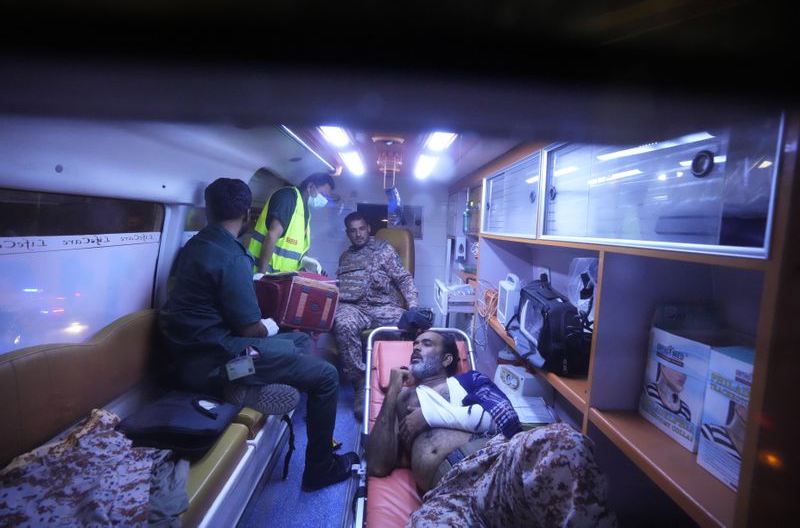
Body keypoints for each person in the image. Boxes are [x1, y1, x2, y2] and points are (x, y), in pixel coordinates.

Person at [160, 177, 358, 491]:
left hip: (190, 356)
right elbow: (251, 328)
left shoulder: (193, 247)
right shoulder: (233, 257)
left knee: (299, 340)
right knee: (324, 374)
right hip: (220, 366)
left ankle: (254, 380)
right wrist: (275, 322)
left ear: (208, 211)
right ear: (248, 215)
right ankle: (320, 467)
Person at [365, 331, 616, 527]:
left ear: (447, 359)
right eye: (415, 345)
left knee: (566, 441)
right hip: (450, 491)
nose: (416, 348)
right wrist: (394, 389)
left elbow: (506, 420)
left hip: (495, 465)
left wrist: (430, 416)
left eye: (427, 343)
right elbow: (377, 464)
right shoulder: (404, 399)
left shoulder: (470, 380)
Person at [333, 212, 419, 420]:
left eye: (361, 229)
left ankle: (411, 384)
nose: (358, 234)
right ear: (348, 233)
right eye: (353, 231)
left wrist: (414, 307)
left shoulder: (383, 250)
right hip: (353, 308)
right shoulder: (346, 256)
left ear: (368, 228)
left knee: (410, 324)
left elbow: (403, 279)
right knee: (343, 324)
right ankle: (361, 385)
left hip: (382, 305)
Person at [248, 172, 335, 274]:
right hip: (265, 275)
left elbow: (299, 248)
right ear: (311, 186)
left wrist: (306, 261)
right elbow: (272, 235)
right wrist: (261, 274)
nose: (323, 200)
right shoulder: (288, 197)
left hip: (282, 279)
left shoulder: (305, 211)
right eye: (323, 194)